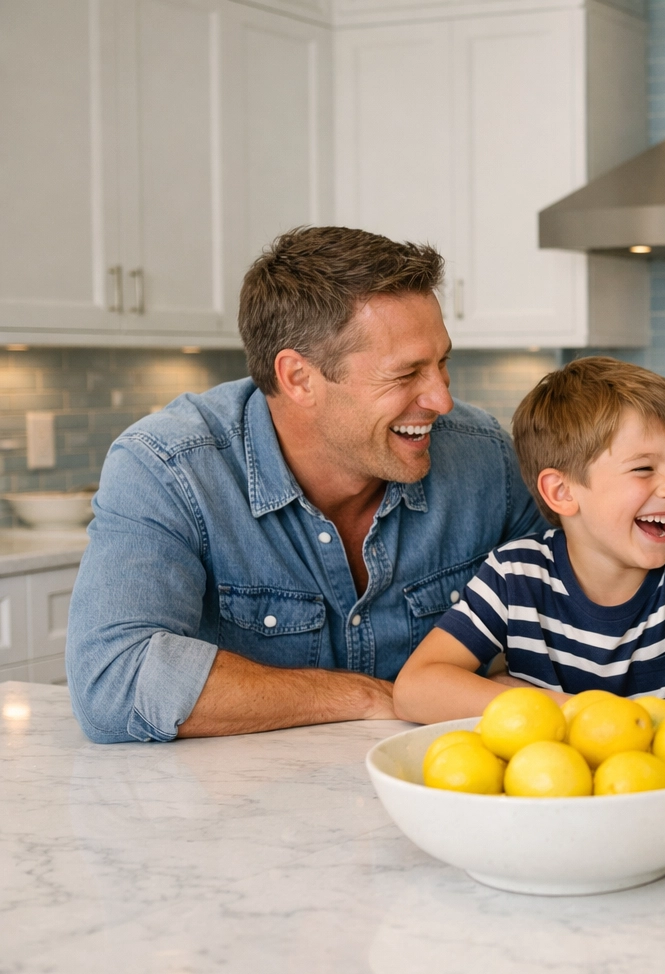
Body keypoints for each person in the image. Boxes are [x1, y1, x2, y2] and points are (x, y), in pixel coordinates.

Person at [66, 226, 542, 743]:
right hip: (246, 810)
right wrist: (369, 696)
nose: (441, 400)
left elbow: (570, 613)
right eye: (406, 374)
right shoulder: (169, 470)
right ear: (298, 378)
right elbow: (115, 679)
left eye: (442, 363)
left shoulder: (484, 458)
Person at [393, 357, 665, 731]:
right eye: (644, 469)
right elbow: (415, 688)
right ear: (561, 492)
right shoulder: (515, 574)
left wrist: (618, 722)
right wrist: (579, 713)